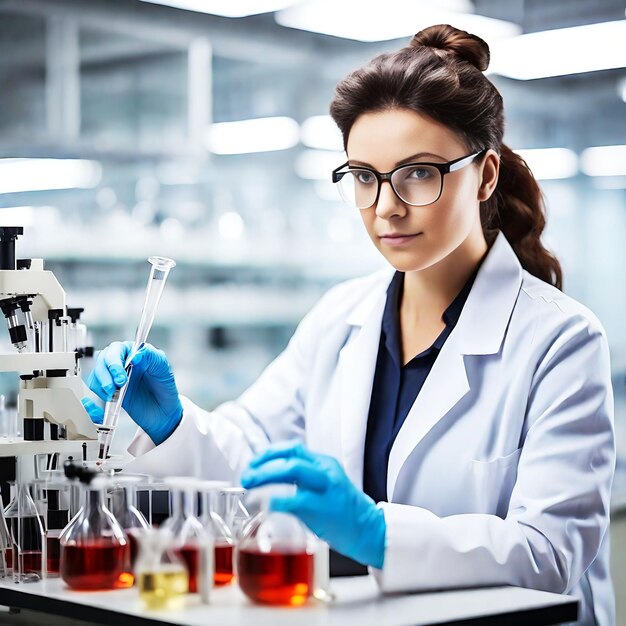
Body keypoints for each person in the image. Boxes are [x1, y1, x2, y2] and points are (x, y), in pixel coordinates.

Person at [84, 24, 614, 625]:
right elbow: (256, 458)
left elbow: (550, 553)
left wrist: (376, 532)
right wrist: (175, 427)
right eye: (364, 175)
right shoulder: (342, 317)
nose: (387, 205)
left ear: (485, 175)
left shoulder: (560, 341)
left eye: (418, 173)